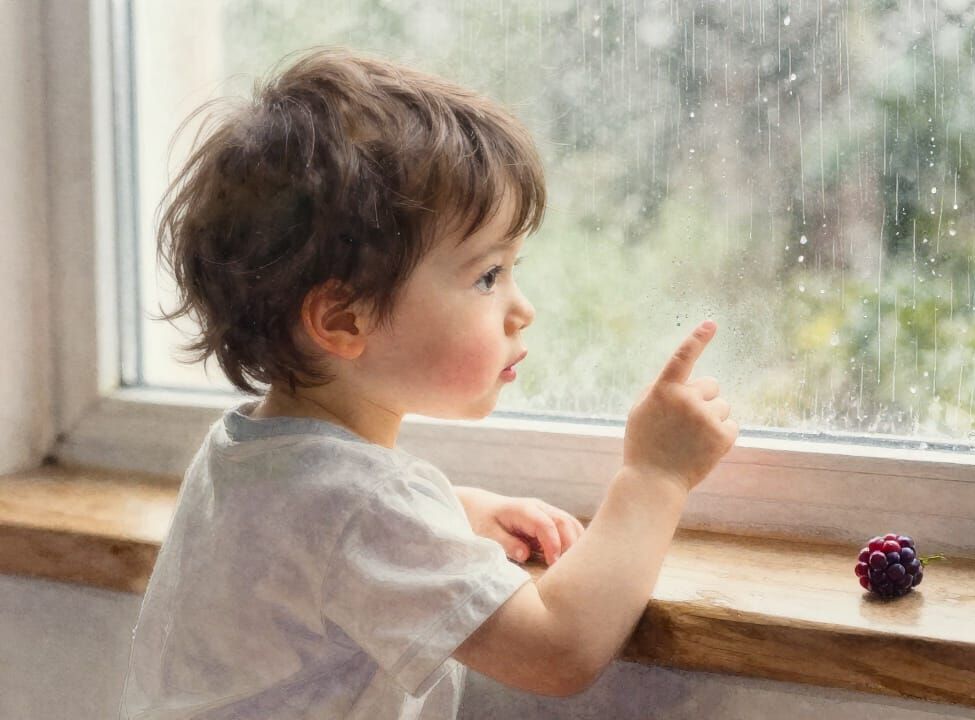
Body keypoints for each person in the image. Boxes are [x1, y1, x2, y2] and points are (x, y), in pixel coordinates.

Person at [119, 47, 738, 719]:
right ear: (344, 319)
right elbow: (557, 650)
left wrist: (450, 512)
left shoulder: (242, 452)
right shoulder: (363, 507)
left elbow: (312, 540)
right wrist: (655, 475)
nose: (523, 309)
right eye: (487, 276)